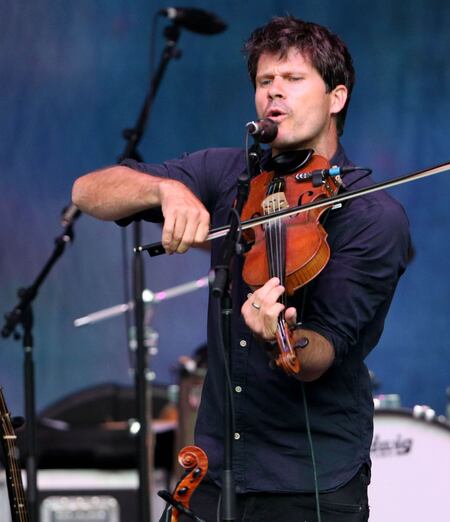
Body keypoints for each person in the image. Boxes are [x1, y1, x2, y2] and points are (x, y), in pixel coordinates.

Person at [72, 16, 411, 522]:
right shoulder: (230, 175)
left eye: (293, 80)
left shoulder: (371, 215)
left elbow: (322, 350)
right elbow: (88, 192)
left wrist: (282, 336)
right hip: (214, 472)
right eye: (264, 81)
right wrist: (165, 189)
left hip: (308, 483)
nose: (275, 93)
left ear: (336, 98)